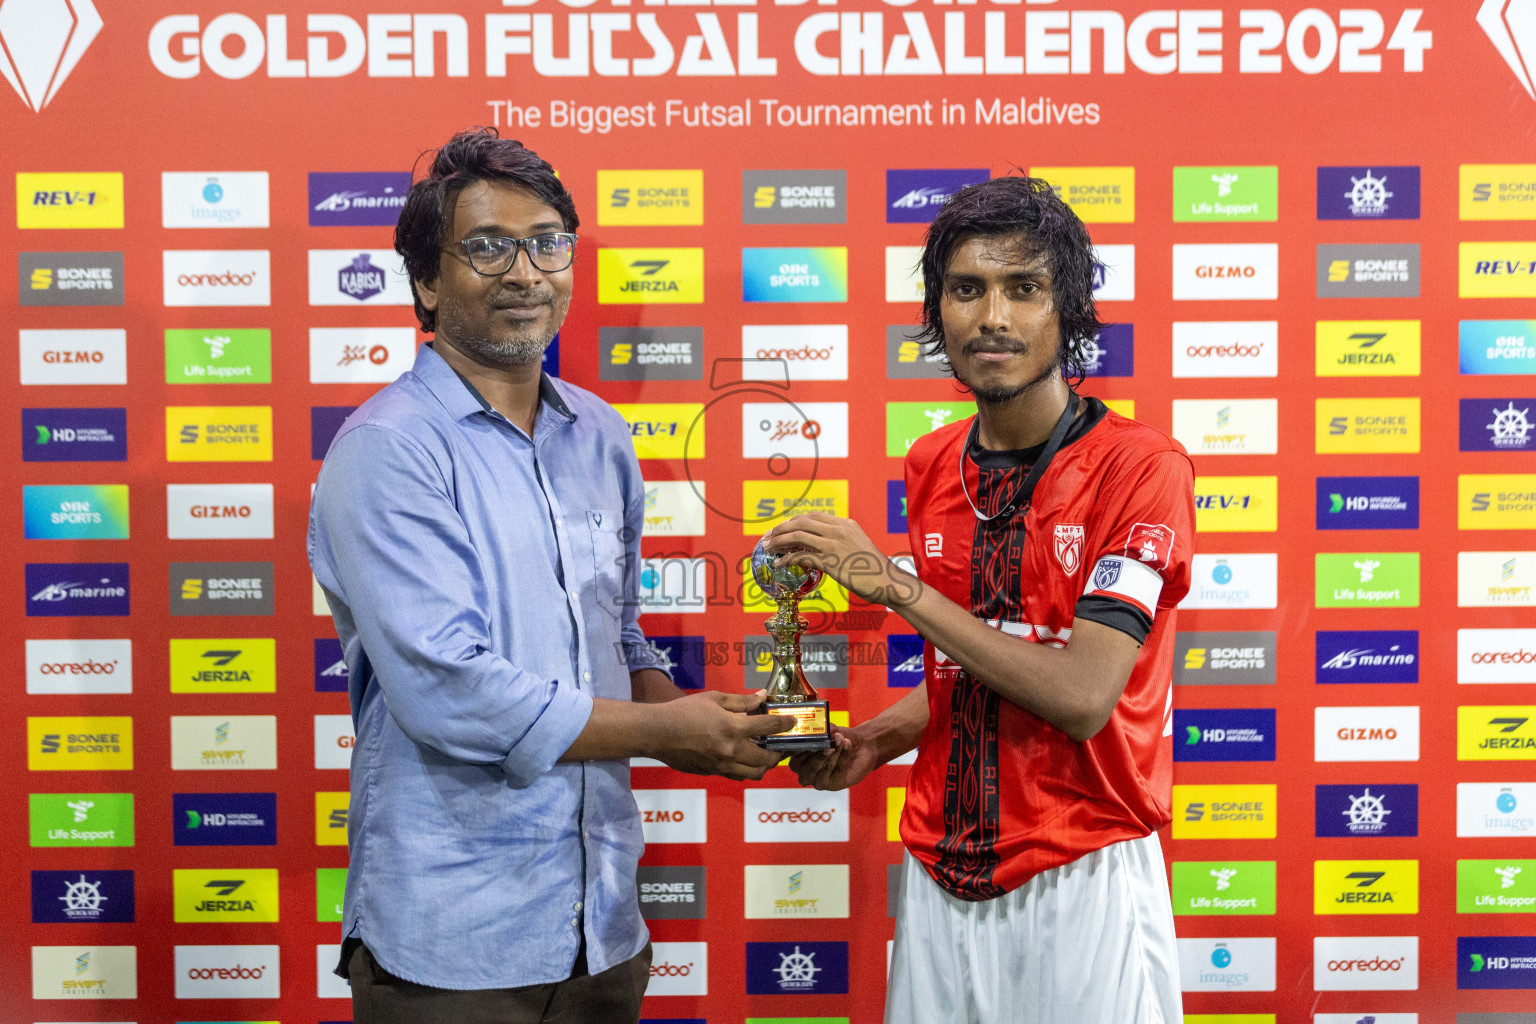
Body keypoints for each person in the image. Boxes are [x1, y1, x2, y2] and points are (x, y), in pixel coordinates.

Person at [308, 127, 791, 1024]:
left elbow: (617, 635)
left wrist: (720, 723)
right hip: (456, 941)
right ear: (425, 281)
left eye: (547, 243)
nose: (524, 272)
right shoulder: (389, 451)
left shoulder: (601, 437)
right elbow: (449, 690)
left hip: (604, 926)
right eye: (487, 247)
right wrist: (662, 729)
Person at [764, 175, 1195, 1023]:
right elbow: (981, 657)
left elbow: (1079, 694)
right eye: (967, 289)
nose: (992, 315)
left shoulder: (1142, 469)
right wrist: (875, 742)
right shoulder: (932, 462)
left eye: (1023, 289)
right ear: (939, 314)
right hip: (937, 871)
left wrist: (890, 585)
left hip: (1080, 869)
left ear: (1067, 312)